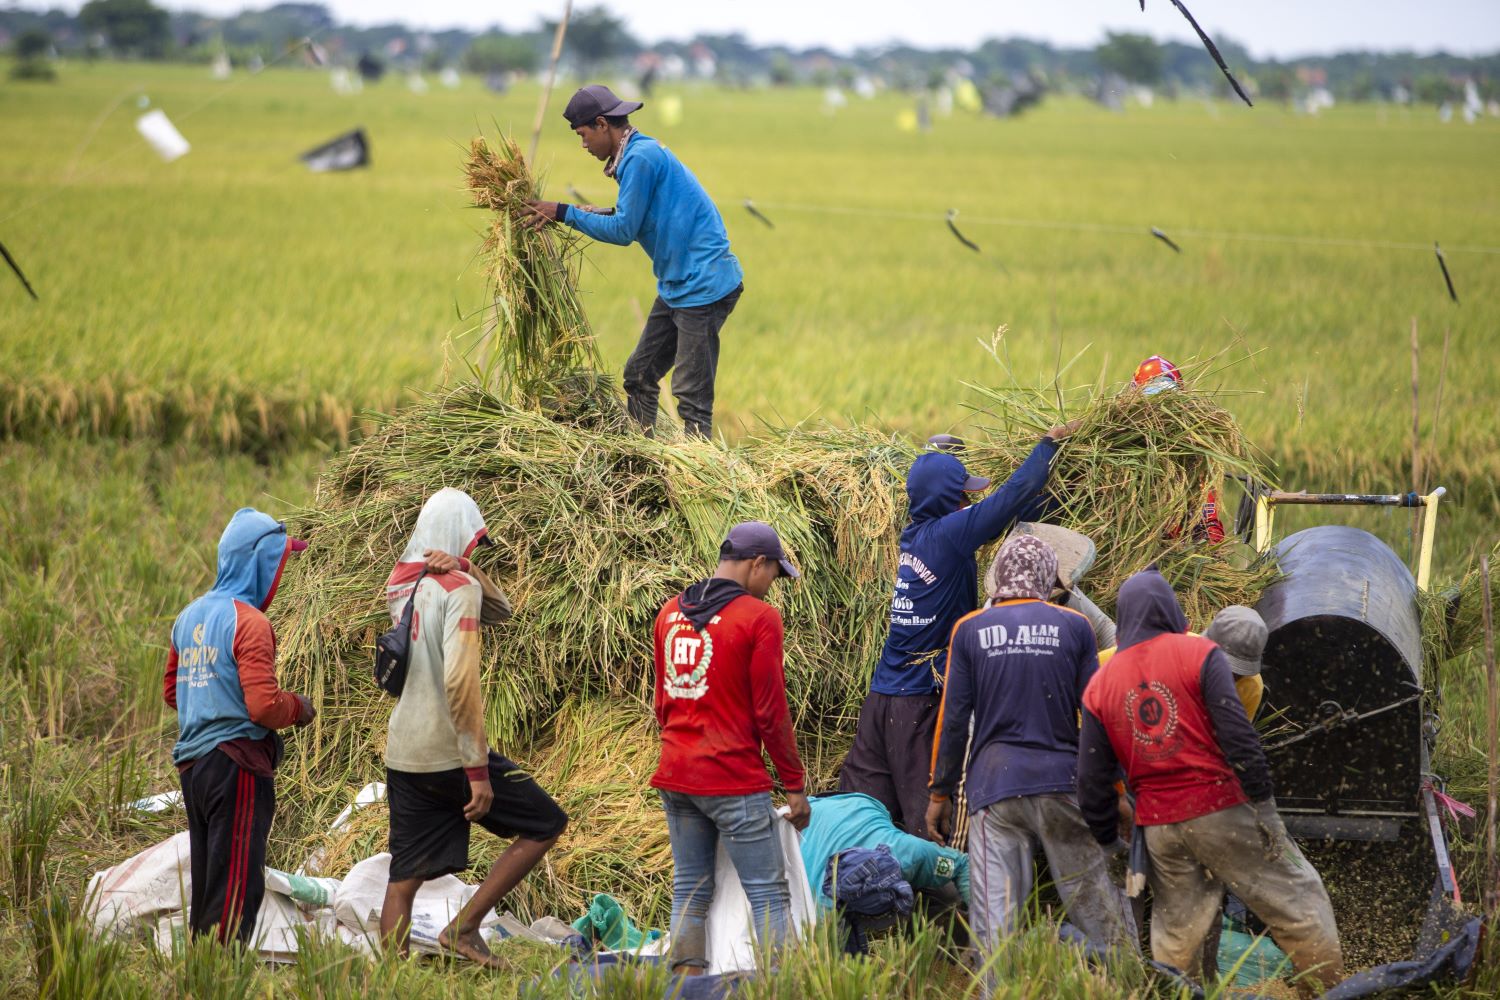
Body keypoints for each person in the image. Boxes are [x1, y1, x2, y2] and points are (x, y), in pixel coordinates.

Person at [1077, 568, 1342, 992]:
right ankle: (1328, 990)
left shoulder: (1100, 682)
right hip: (1217, 808)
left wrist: (1109, 841)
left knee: (1177, 933)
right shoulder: (1199, 653)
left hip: (1158, 827)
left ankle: (1180, 993)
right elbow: (1238, 739)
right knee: (1299, 898)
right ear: (1172, 611)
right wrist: (1266, 809)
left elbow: (1091, 777)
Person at [839, 421, 1077, 838]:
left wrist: (1048, 503)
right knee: (928, 823)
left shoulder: (917, 534)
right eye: (965, 492)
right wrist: (1048, 445)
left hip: (882, 696)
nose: (971, 497)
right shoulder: (949, 535)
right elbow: (1013, 494)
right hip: (917, 702)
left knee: (864, 816)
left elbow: (1000, 516)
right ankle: (941, 880)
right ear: (949, 499)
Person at [926, 536, 1133, 971]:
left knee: (995, 925)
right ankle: (1130, 980)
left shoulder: (969, 630)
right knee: (1098, 908)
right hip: (1064, 785)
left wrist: (939, 794)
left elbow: (953, 721)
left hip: (994, 792)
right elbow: (1097, 717)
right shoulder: (1075, 626)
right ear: (1046, 578)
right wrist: (1114, 790)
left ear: (999, 576)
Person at [379, 488, 567, 966]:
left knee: (403, 878)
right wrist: (477, 772)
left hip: (404, 751)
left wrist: (465, 567)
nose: (473, 550)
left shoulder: (399, 584)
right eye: (471, 542)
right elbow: (460, 684)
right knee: (546, 822)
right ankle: (464, 927)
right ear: (460, 533)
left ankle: (390, 980)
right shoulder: (459, 591)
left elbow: (498, 609)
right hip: (449, 752)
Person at [526, 84, 744, 439]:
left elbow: (624, 230)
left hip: (703, 285)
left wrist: (564, 212)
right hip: (678, 285)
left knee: (691, 397)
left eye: (582, 135)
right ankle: (642, 457)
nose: (583, 145)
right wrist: (591, 213)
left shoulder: (640, 159)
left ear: (601, 124)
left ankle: (700, 463)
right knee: (639, 376)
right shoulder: (635, 154)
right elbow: (636, 215)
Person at [651, 520, 811, 974]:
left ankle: (685, 986)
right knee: (768, 892)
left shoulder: (669, 613)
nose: (772, 584)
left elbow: (663, 701)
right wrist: (794, 785)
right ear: (757, 563)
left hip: (676, 773)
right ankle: (783, 986)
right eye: (774, 573)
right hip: (732, 778)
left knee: (690, 888)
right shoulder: (759, 618)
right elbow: (771, 712)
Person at [164, 508, 316, 945]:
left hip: (193, 768)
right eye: (278, 561)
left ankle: (202, 965)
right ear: (259, 563)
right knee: (236, 884)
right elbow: (264, 706)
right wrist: (298, 707)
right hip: (237, 768)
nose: (280, 573)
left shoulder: (188, 617)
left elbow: (173, 692)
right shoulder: (250, 623)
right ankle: (223, 969)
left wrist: (211, 692)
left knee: (211, 876)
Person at [800, 792, 970, 913]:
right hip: (809, 813)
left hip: (860, 804)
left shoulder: (910, 853)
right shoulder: (819, 909)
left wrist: (981, 929)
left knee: (948, 896)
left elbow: (963, 864)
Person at [1131, 356, 1225, 543]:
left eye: (1167, 400)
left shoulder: (1194, 452)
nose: (1160, 410)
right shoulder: (1123, 443)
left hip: (1176, 546)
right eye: (1152, 398)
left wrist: (1210, 544)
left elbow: (1210, 523)